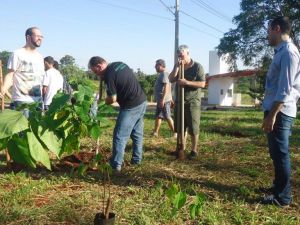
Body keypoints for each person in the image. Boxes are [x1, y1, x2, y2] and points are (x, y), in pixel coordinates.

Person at [260, 16, 300, 207]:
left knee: (281, 153)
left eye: (268, 31)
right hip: (274, 109)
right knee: (276, 153)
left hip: (281, 112)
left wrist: (272, 115)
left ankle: (283, 198)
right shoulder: (280, 52)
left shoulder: (289, 53)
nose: (267, 35)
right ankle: (278, 188)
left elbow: (285, 90)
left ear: (276, 28)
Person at [89, 56, 147, 172]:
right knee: (137, 134)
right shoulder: (119, 64)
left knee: (119, 136)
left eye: (96, 72)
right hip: (142, 101)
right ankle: (137, 160)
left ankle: (115, 166)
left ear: (100, 66)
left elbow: (113, 98)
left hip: (130, 106)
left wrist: (104, 101)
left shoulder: (108, 75)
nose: (96, 75)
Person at [169, 45, 206, 158]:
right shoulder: (179, 66)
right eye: (179, 56)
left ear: (188, 54)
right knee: (180, 127)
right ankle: (181, 148)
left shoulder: (197, 67)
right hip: (179, 102)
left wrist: (187, 82)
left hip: (192, 102)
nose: (181, 58)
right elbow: (171, 79)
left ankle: (194, 150)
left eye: (182, 55)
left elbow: (202, 84)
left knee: (193, 127)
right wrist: (176, 67)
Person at [2, 27, 45, 115]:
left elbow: (41, 80)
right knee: (22, 128)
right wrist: (2, 91)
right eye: (37, 36)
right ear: (28, 37)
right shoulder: (17, 54)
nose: (40, 38)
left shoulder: (40, 57)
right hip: (21, 101)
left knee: (36, 129)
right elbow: (10, 75)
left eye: (41, 36)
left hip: (37, 102)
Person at [152, 59, 176, 138]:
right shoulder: (162, 74)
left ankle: (175, 133)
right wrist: (171, 99)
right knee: (158, 116)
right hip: (162, 100)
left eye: (156, 66)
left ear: (161, 65)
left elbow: (167, 87)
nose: (155, 67)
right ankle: (155, 132)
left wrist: (163, 100)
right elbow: (169, 87)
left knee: (167, 116)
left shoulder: (164, 74)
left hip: (164, 101)